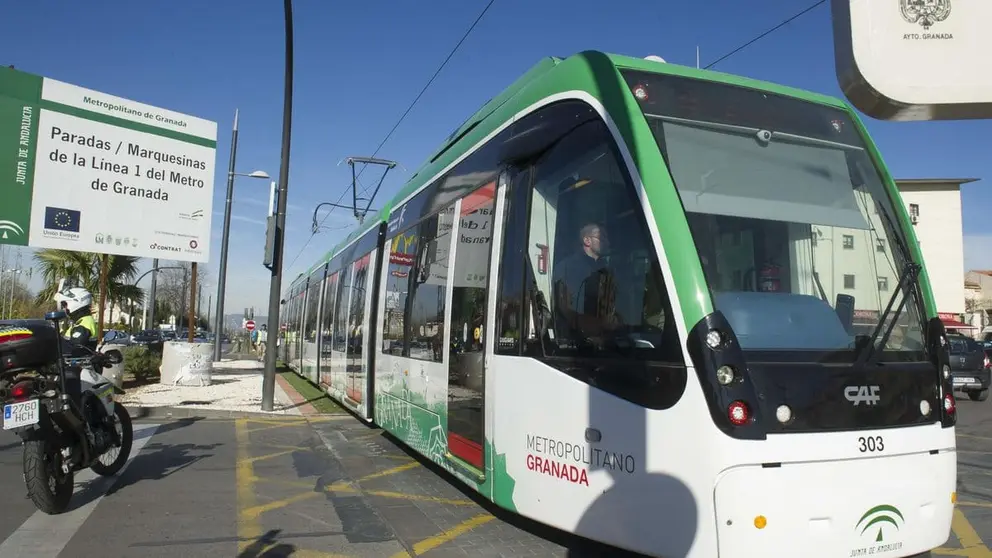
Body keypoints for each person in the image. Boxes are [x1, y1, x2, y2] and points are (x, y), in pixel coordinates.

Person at [551, 222, 621, 348]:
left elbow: (611, 303)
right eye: (602, 238)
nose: (607, 242)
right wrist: (594, 325)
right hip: (572, 343)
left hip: (604, 341)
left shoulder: (607, 270)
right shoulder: (566, 267)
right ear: (587, 240)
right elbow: (564, 307)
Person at [54, 287, 99, 354]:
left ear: (76, 302)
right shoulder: (81, 321)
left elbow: (74, 349)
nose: (64, 308)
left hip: (77, 363)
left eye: (65, 304)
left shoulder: (84, 324)